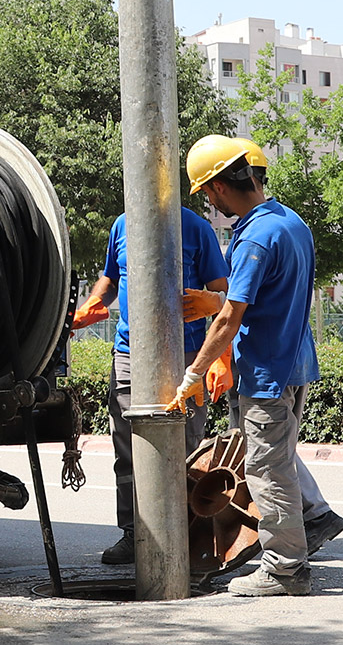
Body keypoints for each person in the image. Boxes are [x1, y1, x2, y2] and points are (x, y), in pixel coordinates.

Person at [172, 135, 343, 596]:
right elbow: (268, 295)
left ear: (219, 187)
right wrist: (215, 298)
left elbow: (230, 318)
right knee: (278, 464)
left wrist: (193, 375)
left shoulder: (254, 237)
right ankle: (292, 554)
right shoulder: (291, 223)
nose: (208, 201)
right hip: (293, 365)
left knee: (268, 472)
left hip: (266, 374)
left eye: (206, 192)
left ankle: (285, 569)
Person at [73, 205, 228, 565]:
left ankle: (184, 536)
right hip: (129, 353)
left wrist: (220, 353)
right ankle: (133, 533)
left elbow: (222, 293)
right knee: (128, 448)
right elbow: (110, 280)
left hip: (186, 353)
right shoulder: (122, 224)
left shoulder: (196, 227)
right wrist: (94, 302)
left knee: (185, 446)